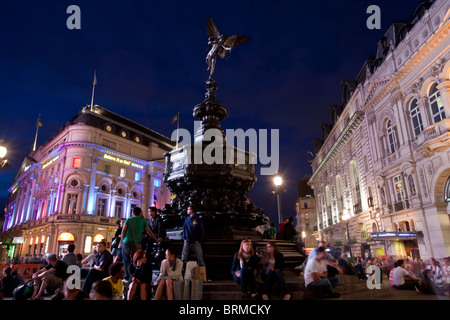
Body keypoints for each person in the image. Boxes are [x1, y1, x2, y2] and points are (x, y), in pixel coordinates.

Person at [121, 207, 158, 282]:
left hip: (126, 241)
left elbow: (123, 231)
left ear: (133, 212)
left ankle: (126, 276)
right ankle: (134, 275)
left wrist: (122, 241)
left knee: (126, 259)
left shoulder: (129, 219)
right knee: (135, 259)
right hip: (136, 242)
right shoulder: (143, 220)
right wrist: (156, 238)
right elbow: (149, 231)